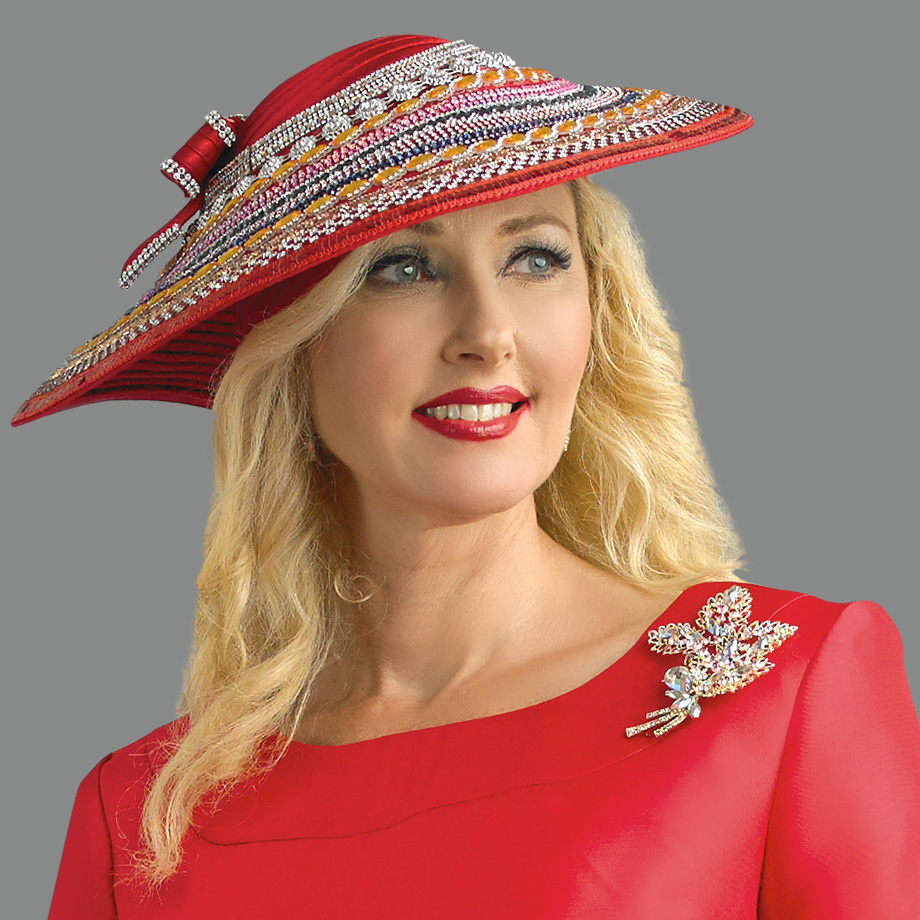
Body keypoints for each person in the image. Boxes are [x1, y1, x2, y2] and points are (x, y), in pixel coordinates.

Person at [15, 34, 919, 919]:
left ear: (598, 307)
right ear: (290, 346)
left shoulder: (783, 687)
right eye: (403, 268)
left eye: (536, 258)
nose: (487, 333)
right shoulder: (142, 817)